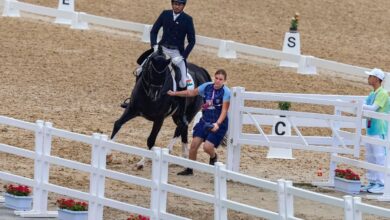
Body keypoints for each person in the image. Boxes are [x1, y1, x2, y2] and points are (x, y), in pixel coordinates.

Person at [168, 69, 230, 176]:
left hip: (218, 123)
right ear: (214, 77)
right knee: (193, 146)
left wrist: (217, 124)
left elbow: (224, 111)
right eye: (216, 78)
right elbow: (190, 92)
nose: (218, 81)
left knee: (207, 147)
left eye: (221, 79)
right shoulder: (207, 86)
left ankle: (213, 156)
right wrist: (175, 93)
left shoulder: (226, 92)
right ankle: (190, 169)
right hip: (205, 121)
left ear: (224, 81)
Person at [360, 68, 389, 194]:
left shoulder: (382, 93)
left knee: (379, 156)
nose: (368, 78)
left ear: (377, 79)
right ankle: (372, 181)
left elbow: (373, 108)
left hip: (379, 128)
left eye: (370, 76)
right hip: (371, 128)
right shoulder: (373, 94)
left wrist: (359, 105)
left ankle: (382, 183)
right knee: (370, 156)